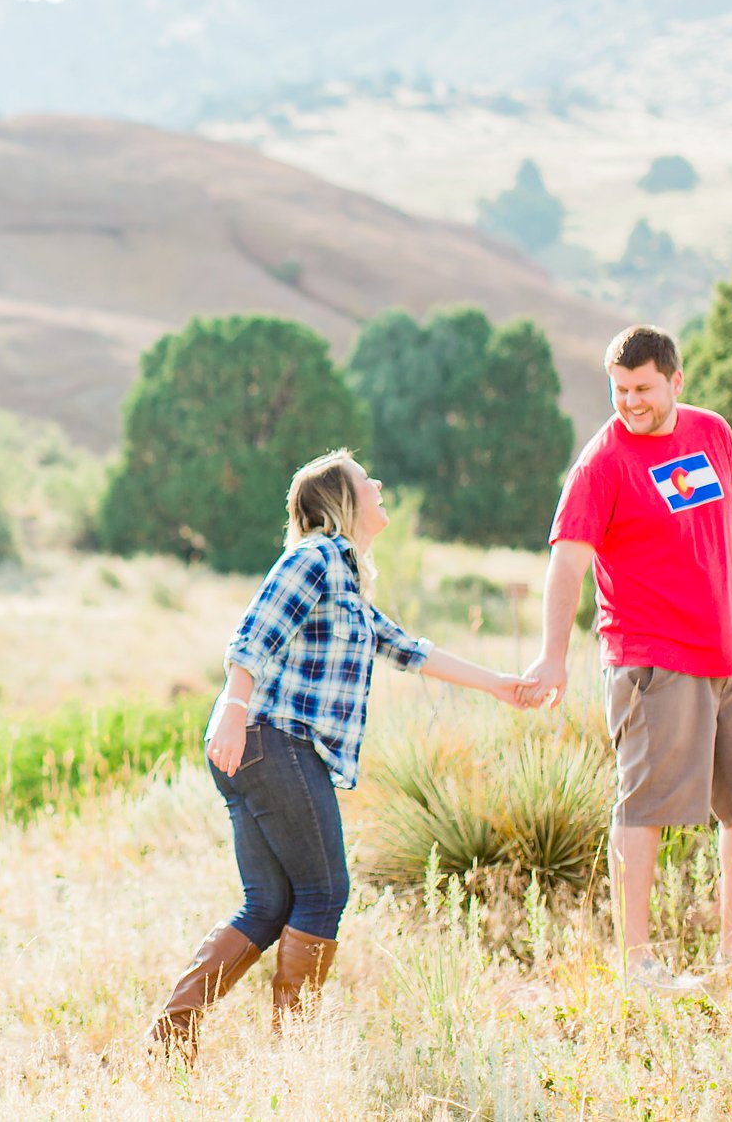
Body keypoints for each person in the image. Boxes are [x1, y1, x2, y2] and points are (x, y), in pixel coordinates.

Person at [147, 449, 533, 1061]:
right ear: (339, 503)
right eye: (364, 480)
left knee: (269, 904)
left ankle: (170, 1039)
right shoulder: (315, 557)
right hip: (275, 742)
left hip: (263, 749)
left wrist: (499, 683)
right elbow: (255, 629)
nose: (378, 484)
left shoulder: (345, 581)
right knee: (325, 892)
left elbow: (408, 648)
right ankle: (294, 1054)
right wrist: (232, 702)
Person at [520, 324, 732, 989]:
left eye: (642, 388)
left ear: (676, 380)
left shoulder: (711, 433)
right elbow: (567, 565)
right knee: (643, 808)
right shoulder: (602, 464)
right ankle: (637, 961)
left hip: (724, 652)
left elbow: (731, 522)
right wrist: (553, 655)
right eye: (619, 390)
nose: (631, 402)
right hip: (651, 660)